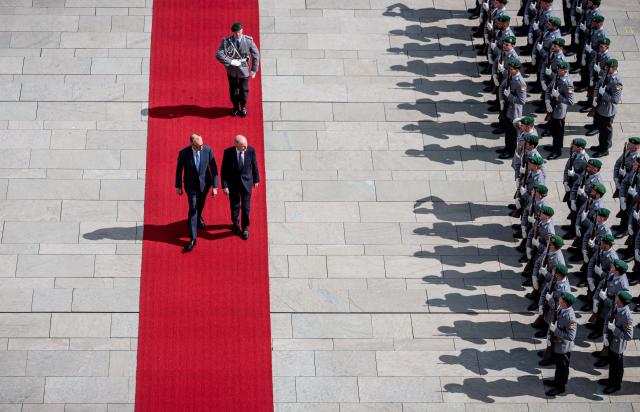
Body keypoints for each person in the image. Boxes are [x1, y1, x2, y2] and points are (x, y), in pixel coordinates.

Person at [175, 134, 219, 251]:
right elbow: (179, 170)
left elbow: (213, 168)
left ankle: (199, 217)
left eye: (202, 145)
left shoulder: (208, 150)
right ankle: (193, 238)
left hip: (205, 185)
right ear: (192, 144)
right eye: (199, 146)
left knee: (201, 204)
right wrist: (178, 186)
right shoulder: (184, 153)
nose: (201, 148)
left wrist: (215, 186)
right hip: (191, 187)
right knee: (193, 209)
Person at [216, 22, 260, 117]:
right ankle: (235, 107)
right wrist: (230, 61)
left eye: (239, 31)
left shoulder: (248, 41)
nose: (238, 34)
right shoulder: (227, 41)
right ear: (233, 32)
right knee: (233, 90)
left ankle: (243, 106)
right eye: (236, 32)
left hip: (244, 69)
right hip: (232, 70)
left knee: (244, 90)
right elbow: (219, 54)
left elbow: (256, 54)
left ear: (242, 30)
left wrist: (254, 69)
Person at [221, 135, 260, 240]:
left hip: (246, 184)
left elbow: (254, 165)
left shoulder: (250, 150)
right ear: (236, 145)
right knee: (235, 206)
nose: (245, 148)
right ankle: (235, 224)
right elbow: (224, 171)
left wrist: (256, 179)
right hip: (233, 185)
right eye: (243, 146)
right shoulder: (228, 153)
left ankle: (245, 228)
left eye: (246, 145)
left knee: (246, 208)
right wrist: (225, 186)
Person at [596, 290, 634, 394]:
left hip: (618, 344)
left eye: (617, 296)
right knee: (612, 363)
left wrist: (615, 330)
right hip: (610, 340)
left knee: (617, 365)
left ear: (620, 300)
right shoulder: (615, 305)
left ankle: (616, 385)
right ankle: (610, 380)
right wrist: (605, 335)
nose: (615, 296)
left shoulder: (627, 316)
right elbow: (607, 319)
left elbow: (629, 336)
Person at [541, 292, 577, 397]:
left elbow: (571, 336)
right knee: (558, 365)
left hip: (564, 347)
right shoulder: (561, 308)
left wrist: (555, 330)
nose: (559, 300)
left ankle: (560, 387)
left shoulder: (571, 318)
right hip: (556, 344)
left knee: (563, 368)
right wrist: (549, 337)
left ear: (565, 303)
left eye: (561, 299)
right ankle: (556, 381)